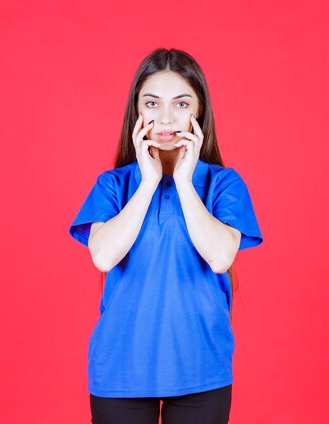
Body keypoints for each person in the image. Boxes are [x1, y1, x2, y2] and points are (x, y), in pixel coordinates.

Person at [68, 48, 263, 424]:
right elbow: (103, 256)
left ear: (199, 111)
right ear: (137, 111)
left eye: (181, 103)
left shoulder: (224, 184)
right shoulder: (113, 185)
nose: (166, 118)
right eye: (152, 103)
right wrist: (149, 182)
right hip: (120, 369)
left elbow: (221, 257)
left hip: (201, 368)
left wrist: (186, 184)